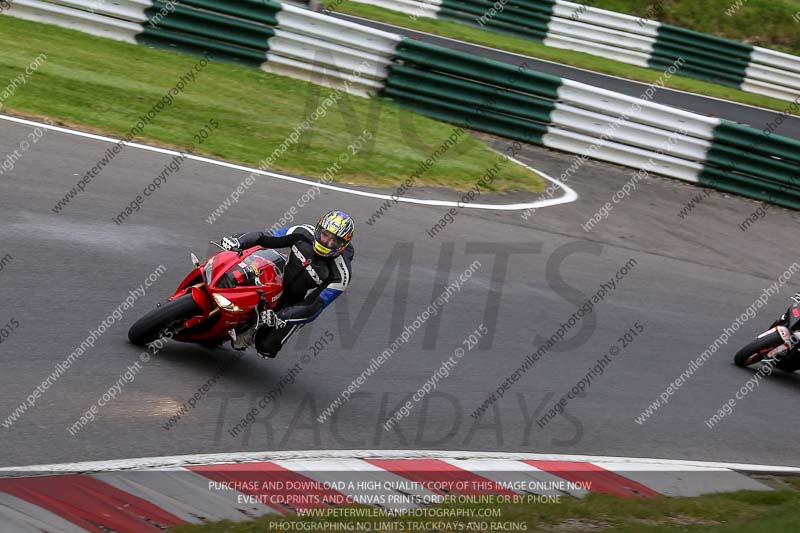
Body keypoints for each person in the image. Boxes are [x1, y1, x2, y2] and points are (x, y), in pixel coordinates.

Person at [220, 210, 354, 358]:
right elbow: (267, 237)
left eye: (333, 240)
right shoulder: (302, 232)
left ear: (342, 245)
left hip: (292, 302)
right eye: (325, 235)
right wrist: (240, 241)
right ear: (318, 230)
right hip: (275, 275)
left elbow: (315, 305)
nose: (326, 242)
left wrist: (281, 316)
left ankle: (253, 331)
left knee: (265, 348)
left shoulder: (341, 274)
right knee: (238, 273)